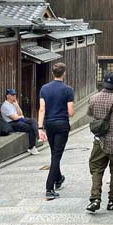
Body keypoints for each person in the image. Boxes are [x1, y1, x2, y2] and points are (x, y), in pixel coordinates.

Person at [86, 71, 113, 213]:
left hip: (99, 141)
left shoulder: (93, 99)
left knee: (96, 169)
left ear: (103, 82)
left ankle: (95, 199)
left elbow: (90, 114)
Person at [38, 62, 75, 201]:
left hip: (49, 124)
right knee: (56, 156)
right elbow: (71, 112)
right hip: (62, 124)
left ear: (52, 73)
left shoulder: (44, 89)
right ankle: (49, 188)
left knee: (54, 153)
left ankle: (58, 178)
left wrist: (40, 128)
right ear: (64, 73)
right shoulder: (68, 90)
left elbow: (42, 109)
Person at [1, 88, 40, 154]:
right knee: (30, 128)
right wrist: (20, 117)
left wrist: (17, 105)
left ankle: (38, 136)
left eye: (15, 95)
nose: (14, 97)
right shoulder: (5, 106)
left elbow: (21, 113)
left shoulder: (13, 104)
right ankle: (32, 147)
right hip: (12, 123)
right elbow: (14, 118)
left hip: (19, 119)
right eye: (12, 95)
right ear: (8, 96)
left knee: (33, 121)